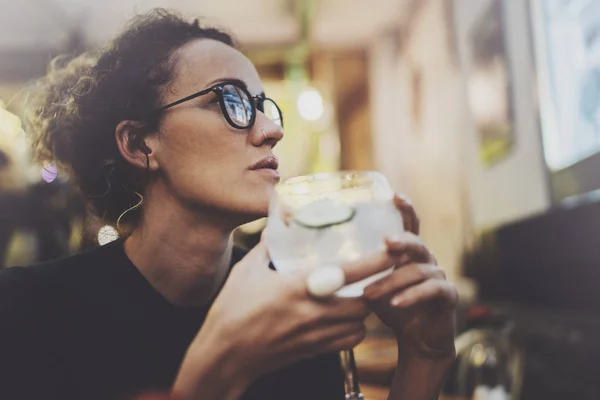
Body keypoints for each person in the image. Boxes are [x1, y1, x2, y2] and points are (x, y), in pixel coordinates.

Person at [0, 9, 457, 400]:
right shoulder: (28, 313)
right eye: (231, 100)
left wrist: (424, 359)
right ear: (140, 144)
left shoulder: (295, 300)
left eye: (263, 106)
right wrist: (218, 372)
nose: (271, 130)